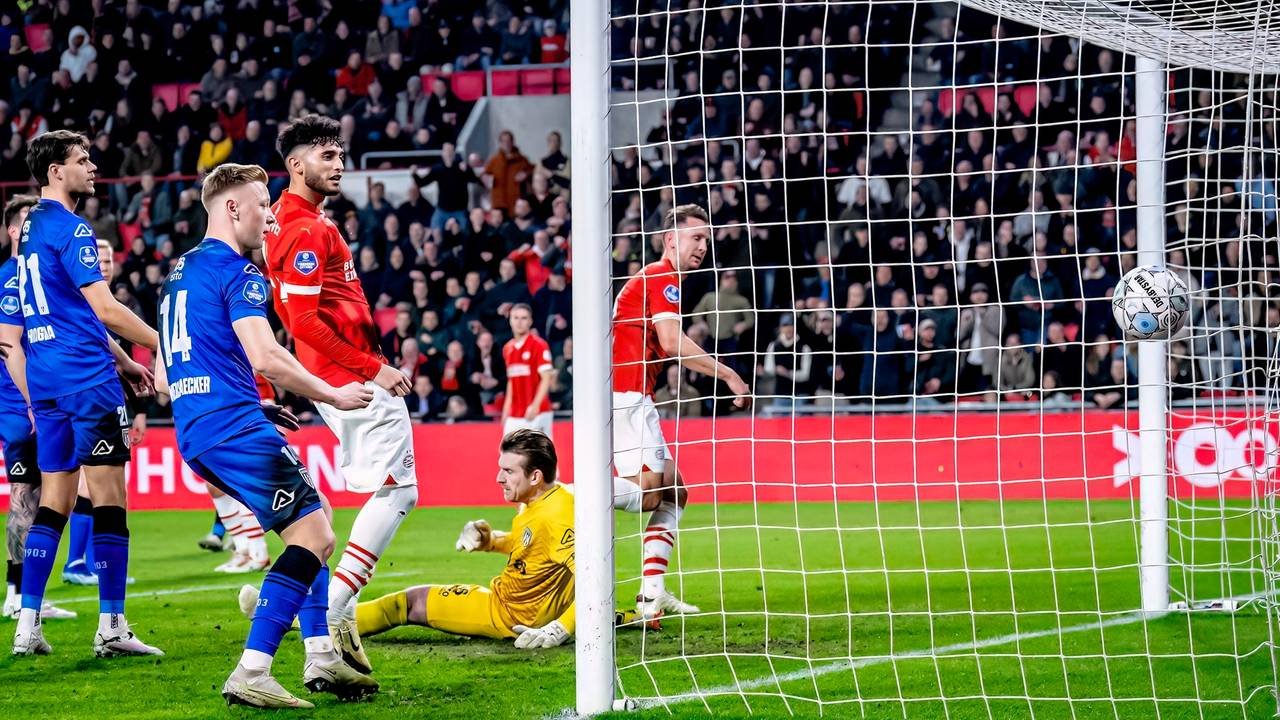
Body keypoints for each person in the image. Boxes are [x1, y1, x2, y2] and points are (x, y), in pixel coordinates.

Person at [154, 163, 377, 707]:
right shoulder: (239, 272)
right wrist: (332, 393)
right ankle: (253, 669)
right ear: (233, 209)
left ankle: (321, 655)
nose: (271, 215)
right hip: (231, 425)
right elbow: (267, 356)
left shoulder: (180, 273)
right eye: (261, 203)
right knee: (316, 538)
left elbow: (165, 377)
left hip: (201, 425)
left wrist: (248, 404)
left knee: (312, 517)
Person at [264, 115, 415, 674]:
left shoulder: (280, 220)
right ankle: (332, 608)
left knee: (388, 488)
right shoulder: (308, 229)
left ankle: (317, 604)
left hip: (328, 374)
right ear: (296, 164)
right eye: (326, 155)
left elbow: (292, 312)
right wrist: (373, 368)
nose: (339, 163)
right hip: (347, 372)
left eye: (340, 153)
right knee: (401, 491)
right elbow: (303, 320)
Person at [8, 130, 159, 657]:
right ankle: (112, 627)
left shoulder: (28, 230)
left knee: (54, 501)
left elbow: (67, 312)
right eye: (82, 159)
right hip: (86, 383)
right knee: (110, 502)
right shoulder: (71, 228)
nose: (93, 167)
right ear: (55, 171)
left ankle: (27, 624)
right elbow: (105, 309)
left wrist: (125, 360)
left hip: (47, 380)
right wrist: (163, 345)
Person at [241, 430, 588, 648]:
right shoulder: (544, 501)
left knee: (406, 604)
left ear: (536, 475)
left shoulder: (556, 514)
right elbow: (532, 548)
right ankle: (288, 613)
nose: (499, 478)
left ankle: (281, 613)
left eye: (508, 471)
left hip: (506, 614)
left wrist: (560, 628)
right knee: (408, 602)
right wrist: (491, 542)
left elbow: (592, 577)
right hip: (512, 602)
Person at [611, 204, 751, 623]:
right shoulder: (661, 274)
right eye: (696, 238)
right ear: (670, 239)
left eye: (706, 240)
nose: (703, 246)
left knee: (676, 492)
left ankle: (650, 596)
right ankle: (568, 495)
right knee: (652, 494)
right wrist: (727, 374)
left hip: (634, 394)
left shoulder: (659, 279)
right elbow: (672, 343)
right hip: (627, 395)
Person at [0, 195, 74, 621]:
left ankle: (26, 594)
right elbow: (9, 347)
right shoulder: (12, 279)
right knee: (27, 495)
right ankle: (16, 593)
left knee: (46, 495)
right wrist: (32, 404)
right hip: (21, 403)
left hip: (35, 398)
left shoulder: (35, 276)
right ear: (15, 231)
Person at [501, 303, 554, 437]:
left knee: (540, 455)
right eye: (516, 318)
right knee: (509, 453)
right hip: (515, 414)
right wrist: (506, 408)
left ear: (530, 321)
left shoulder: (539, 345)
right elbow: (511, 381)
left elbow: (546, 378)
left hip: (538, 413)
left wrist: (535, 405)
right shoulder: (508, 348)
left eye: (524, 318)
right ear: (510, 320)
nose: (519, 322)